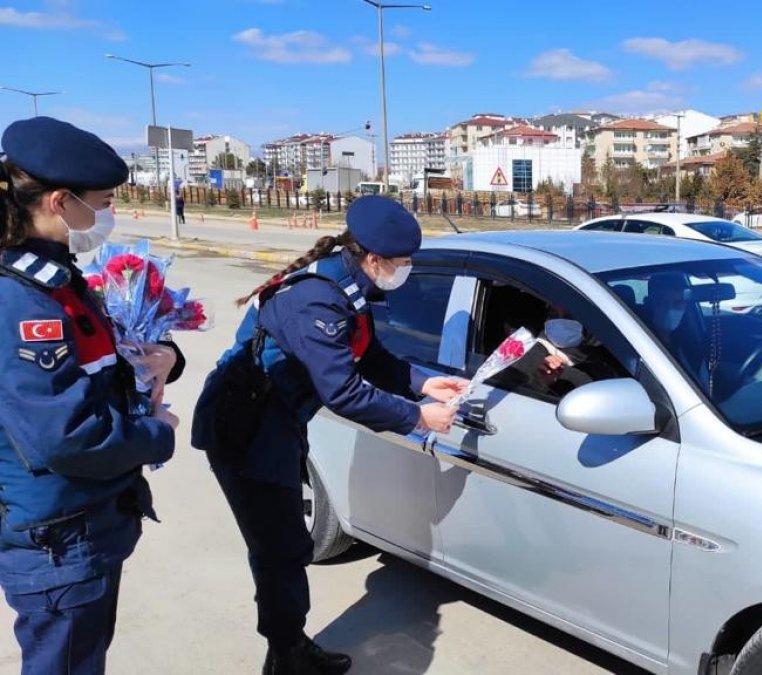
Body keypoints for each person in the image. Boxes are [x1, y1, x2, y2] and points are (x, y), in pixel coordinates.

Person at [194, 196, 464, 675]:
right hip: (246, 432)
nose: (406, 271)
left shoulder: (348, 286)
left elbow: (372, 357)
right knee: (280, 551)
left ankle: (289, 645)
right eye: (402, 263)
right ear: (374, 258)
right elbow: (344, 392)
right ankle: (285, 656)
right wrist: (421, 418)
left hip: (277, 422)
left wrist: (423, 382)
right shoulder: (316, 299)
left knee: (287, 547)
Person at [0, 117, 182, 673]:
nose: (108, 216)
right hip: (59, 535)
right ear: (61, 201)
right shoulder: (22, 302)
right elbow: (65, 438)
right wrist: (158, 435)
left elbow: (101, 363)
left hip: (86, 524)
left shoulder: (57, 277)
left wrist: (167, 359)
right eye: (102, 202)